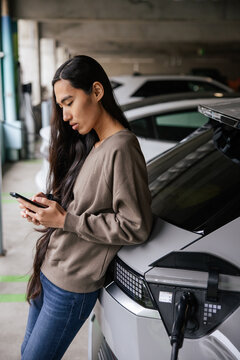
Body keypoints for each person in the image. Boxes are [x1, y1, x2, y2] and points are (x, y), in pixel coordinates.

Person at [18, 55, 153, 360]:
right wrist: (49, 209)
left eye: (68, 102)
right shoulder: (94, 142)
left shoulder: (123, 147)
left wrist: (66, 221)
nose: (65, 115)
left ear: (96, 91)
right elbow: (84, 207)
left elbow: (136, 225)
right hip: (50, 270)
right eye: (61, 106)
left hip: (72, 287)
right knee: (27, 353)